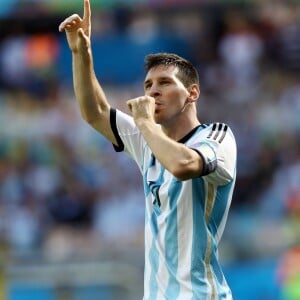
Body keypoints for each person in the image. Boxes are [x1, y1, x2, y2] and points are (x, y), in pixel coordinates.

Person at [59, 0, 237, 299]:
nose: (153, 91)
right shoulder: (147, 140)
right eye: (148, 84)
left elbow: (183, 165)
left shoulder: (217, 137)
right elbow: (95, 112)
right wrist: (81, 53)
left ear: (192, 92)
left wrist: (144, 122)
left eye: (165, 82)